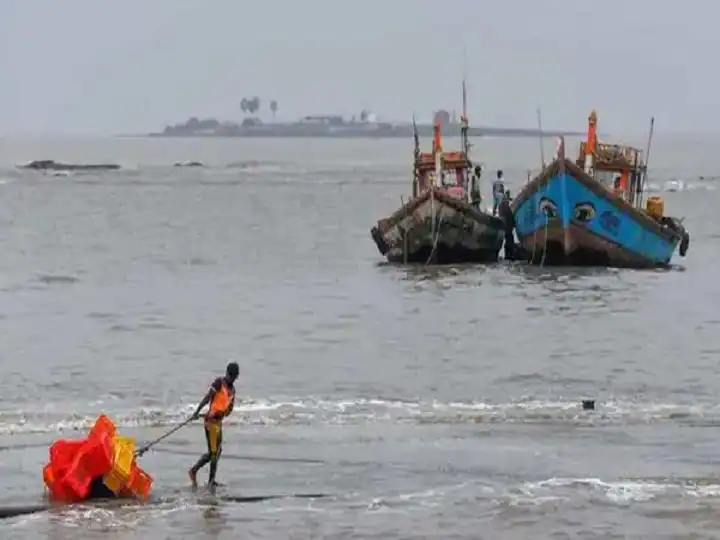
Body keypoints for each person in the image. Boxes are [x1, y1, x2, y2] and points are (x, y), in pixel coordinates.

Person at [188, 362, 239, 489]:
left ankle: (195, 471)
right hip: (210, 423)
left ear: (236, 377)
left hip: (218, 422)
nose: (231, 379)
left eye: (233, 377)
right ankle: (209, 481)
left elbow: (229, 409)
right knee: (214, 453)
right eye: (230, 376)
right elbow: (207, 398)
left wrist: (224, 412)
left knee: (217, 452)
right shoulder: (219, 383)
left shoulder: (232, 390)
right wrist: (197, 412)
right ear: (226, 373)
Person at [498, 190, 516, 259]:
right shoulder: (504, 205)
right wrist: (513, 223)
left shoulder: (503, 205)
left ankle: (508, 255)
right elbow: (508, 216)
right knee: (509, 240)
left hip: (506, 226)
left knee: (509, 240)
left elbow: (507, 216)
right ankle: (509, 255)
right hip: (507, 226)